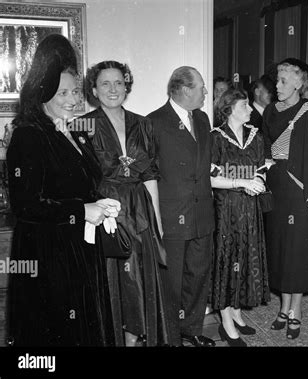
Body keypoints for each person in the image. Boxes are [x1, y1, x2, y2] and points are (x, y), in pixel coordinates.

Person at [6, 34, 116, 346]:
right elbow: (25, 206)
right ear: (42, 92)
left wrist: (101, 203)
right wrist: (82, 210)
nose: (73, 99)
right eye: (63, 92)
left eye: (75, 91)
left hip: (80, 248)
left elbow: (83, 185)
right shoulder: (28, 136)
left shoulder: (76, 132)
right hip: (48, 255)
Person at [84, 61, 169, 346]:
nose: (113, 89)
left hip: (139, 208)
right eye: (105, 83)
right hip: (104, 209)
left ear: (127, 86)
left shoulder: (143, 124)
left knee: (138, 280)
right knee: (112, 279)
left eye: (119, 82)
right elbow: (79, 181)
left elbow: (150, 175)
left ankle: (133, 340)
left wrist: (157, 222)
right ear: (94, 89)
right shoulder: (81, 125)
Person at [147, 66, 215, 347]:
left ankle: (192, 328)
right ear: (185, 90)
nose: (206, 92)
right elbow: (148, 174)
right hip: (172, 217)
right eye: (201, 87)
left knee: (198, 276)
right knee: (171, 282)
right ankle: (170, 337)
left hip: (202, 215)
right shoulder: (153, 122)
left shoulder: (202, 119)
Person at [262, 58, 308, 340]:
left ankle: (296, 310)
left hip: (302, 191)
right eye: (277, 80)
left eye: (284, 81)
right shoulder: (269, 111)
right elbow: (265, 150)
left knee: (298, 253)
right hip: (277, 189)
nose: (277, 86)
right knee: (280, 251)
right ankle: (283, 307)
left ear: (299, 83)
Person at [209, 88, 270, 346]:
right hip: (227, 209)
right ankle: (225, 322)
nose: (251, 110)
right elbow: (211, 178)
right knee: (227, 259)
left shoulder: (256, 136)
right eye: (245, 105)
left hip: (250, 209)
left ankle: (236, 312)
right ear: (229, 108)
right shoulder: (216, 138)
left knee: (245, 258)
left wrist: (258, 181)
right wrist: (241, 182)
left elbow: (262, 170)